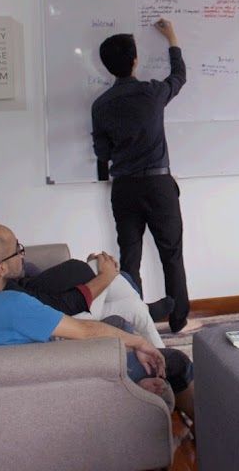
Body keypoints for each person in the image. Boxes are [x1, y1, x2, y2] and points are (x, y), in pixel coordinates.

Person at [0, 223, 195, 423]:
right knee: (177, 362)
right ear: (1, 268)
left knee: (116, 321)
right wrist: (139, 342)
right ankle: (199, 427)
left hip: (45, 361)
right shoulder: (11, 305)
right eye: (17, 250)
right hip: (73, 373)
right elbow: (84, 331)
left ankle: (156, 406)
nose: (23, 254)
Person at [0, 176, 170, 346]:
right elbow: (60, 312)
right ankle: (147, 322)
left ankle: (156, 344)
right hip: (63, 321)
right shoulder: (5, 297)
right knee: (114, 277)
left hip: (53, 312)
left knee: (130, 303)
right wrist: (104, 276)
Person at [93, 19, 192, 333]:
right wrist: (173, 39)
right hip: (159, 185)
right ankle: (178, 319)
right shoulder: (152, 92)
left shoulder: (100, 105)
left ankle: (133, 320)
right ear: (135, 61)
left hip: (124, 188)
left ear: (107, 66)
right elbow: (179, 76)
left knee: (130, 256)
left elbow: (101, 152)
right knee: (171, 254)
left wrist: (105, 174)